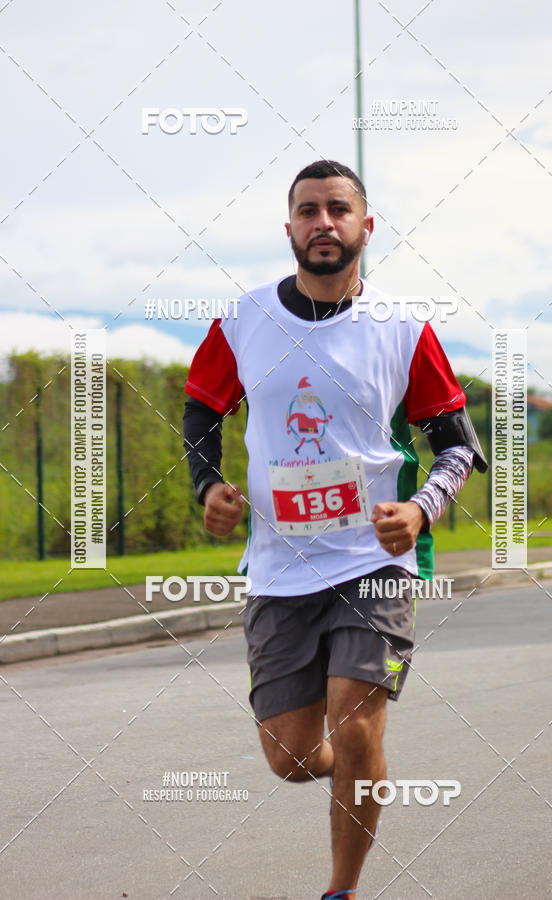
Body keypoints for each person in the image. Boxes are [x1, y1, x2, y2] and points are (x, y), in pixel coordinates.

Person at [183, 160, 487, 899]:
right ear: (289, 228)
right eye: (309, 210)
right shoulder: (243, 320)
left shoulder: (403, 328)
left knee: (356, 731)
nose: (324, 222)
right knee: (292, 758)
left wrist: (421, 510)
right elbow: (201, 413)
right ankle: (344, 762)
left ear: (365, 227)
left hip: (372, 562)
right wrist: (207, 486)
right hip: (279, 569)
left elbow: (460, 446)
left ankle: (341, 891)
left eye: (338, 210)